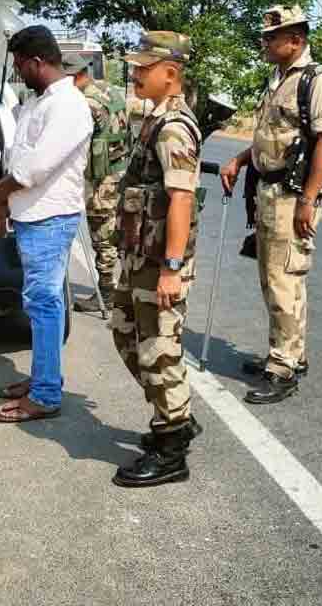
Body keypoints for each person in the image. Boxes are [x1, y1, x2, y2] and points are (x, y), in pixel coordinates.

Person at [219, 5, 322, 406]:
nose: (265, 43)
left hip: (292, 196)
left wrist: (308, 199)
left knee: (283, 278)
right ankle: (290, 353)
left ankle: (283, 366)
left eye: (273, 37)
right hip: (269, 191)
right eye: (266, 36)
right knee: (277, 277)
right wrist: (240, 160)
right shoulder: (278, 80)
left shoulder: (318, 82)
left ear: (297, 39)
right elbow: (271, 138)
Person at [110, 31, 203, 488]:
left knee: (158, 350)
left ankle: (172, 451)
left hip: (159, 262)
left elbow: (181, 199)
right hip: (139, 254)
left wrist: (170, 269)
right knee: (127, 336)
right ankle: (177, 418)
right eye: (136, 66)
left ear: (171, 74)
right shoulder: (154, 117)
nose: (135, 73)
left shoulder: (173, 127)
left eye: (145, 68)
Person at [0, 26, 93, 423]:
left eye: (19, 65)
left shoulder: (66, 105)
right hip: (33, 216)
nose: (18, 72)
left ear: (36, 62)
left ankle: (46, 393)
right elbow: (17, 155)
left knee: (45, 304)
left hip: (49, 217)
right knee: (37, 303)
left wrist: (1, 194)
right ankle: (41, 377)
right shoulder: (41, 101)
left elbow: (33, 169)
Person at [63, 53, 127, 315]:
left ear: (73, 76)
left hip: (101, 181)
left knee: (103, 237)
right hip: (120, 172)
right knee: (118, 232)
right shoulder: (109, 90)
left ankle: (108, 292)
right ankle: (123, 289)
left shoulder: (86, 103)